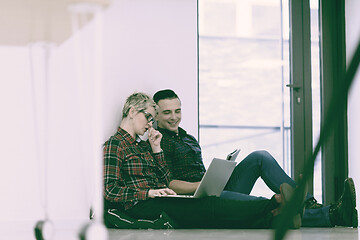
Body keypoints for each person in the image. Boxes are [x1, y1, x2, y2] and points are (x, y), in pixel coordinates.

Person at [153, 89, 358, 228]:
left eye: (177, 111)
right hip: (199, 200)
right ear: (156, 115)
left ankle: (307, 202)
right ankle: (332, 214)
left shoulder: (188, 138)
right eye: (167, 113)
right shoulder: (159, 142)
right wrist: (201, 185)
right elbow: (168, 184)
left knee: (260, 156)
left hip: (214, 189)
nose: (174, 117)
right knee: (265, 206)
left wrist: (218, 175)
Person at [103, 92, 302, 229]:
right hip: (142, 205)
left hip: (157, 198)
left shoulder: (141, 145)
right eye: (148, 117)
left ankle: (276, 216)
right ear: (131, 112)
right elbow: (110, 190)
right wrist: (148, 192)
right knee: (209, 208)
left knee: (210, 210)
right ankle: (276, 203)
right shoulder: (115, 144)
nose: (149, 124)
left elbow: (163, 179)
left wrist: (156, 150)